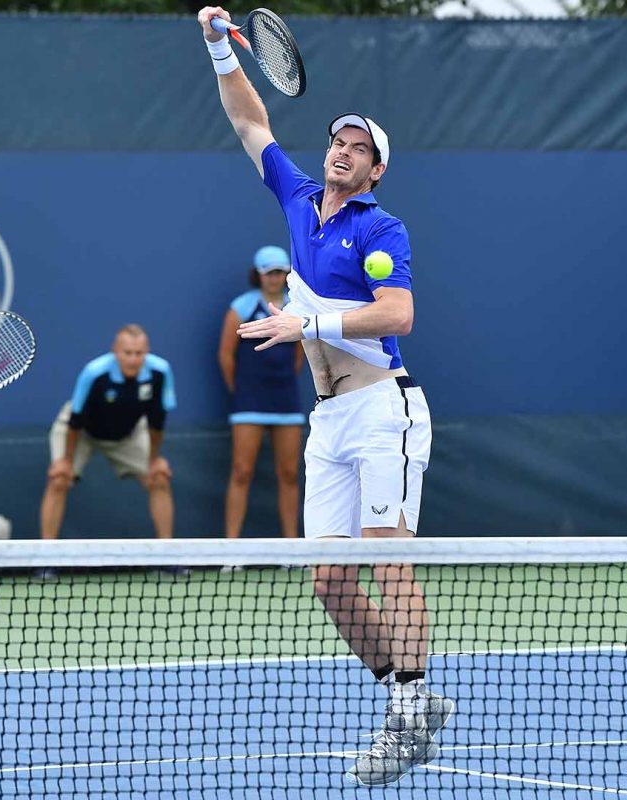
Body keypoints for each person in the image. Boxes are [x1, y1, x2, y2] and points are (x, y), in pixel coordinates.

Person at [198, 8, 450, 787]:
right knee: (330, 580)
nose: (343, 152)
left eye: (359, 149)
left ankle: (405, 715)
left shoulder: (384, 229)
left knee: (387, 561)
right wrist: (215, 46)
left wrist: (309, 319)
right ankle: (411, 701)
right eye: (338, 141)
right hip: (329, 419)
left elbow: (398, 315)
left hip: (385, 410)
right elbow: (249, 118)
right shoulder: (299, 199)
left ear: (377, 172)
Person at [39, 324, 178, 557]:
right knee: (59, 479)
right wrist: (65, 461)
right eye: (127, 353)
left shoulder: (160, 372)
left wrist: (154, 460)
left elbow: (157, 422)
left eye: (139, 353)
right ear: (115, 350)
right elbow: (76, 420)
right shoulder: (95, 373)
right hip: (80, 432)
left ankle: (167, 555)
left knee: (159, 478)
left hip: (128, 433)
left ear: (147, 351)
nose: (133, 359)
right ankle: (46, 558)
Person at [218, 245, 304, 555]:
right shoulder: (240, 308)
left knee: (289, 474)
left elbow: (299, 355)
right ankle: (232, 551)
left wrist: (282, 381)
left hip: (286, 401)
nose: (275, 278)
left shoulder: (297, 308)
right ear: (258, 275)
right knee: (241, 471)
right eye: (270, 273)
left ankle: (293, 550)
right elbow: (226, 356)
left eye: (281, 272)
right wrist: (242, 389)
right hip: (249, 402)